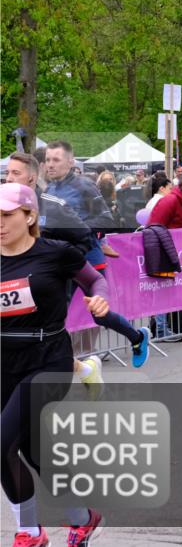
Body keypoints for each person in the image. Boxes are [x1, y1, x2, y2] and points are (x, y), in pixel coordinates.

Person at [1, 183, 110, 546]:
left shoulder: (55, 253)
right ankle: (83, 516)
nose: (0, 223)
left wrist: (100, 299)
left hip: (48, 357)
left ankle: (28, 532)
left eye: (7, 215)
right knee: (32, 448)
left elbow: (95, 279)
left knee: (2, 442)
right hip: (4, 360)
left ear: (29, 216)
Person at [4, 153, 106, 393]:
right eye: (7, 173)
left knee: (44, 335)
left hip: (48, 287)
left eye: (15, 173)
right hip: (9, 352)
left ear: (32, 177)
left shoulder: (52, 204)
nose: (9, 178)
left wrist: (59, 265)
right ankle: (85, 370)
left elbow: (84, 236)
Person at [44, 140, 150, 365]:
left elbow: (105, 219)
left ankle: (137, 337)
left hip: (88, 258)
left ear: (70, 162)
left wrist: (75, 228)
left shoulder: (84, 186)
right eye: (47, 160)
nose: (50, 165)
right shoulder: (50, 188)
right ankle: (59, 363)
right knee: (53, 312)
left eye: (56, 160)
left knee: (98, 314)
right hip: (61, 258)